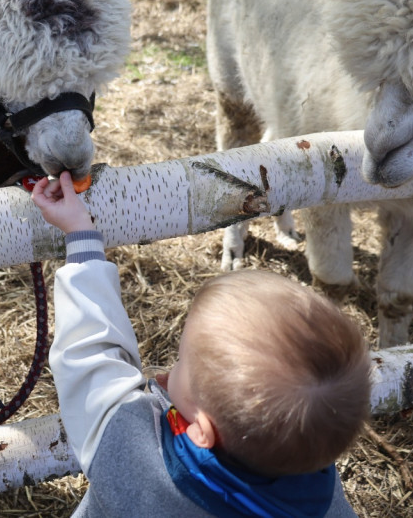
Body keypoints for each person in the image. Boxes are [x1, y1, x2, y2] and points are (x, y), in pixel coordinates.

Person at [31, 171, 371, 517]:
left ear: (202, 431)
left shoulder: (131, 455)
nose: (169, 369)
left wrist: (80, 236)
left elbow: (90, 354)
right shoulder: (326, 501)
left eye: (181, 363)